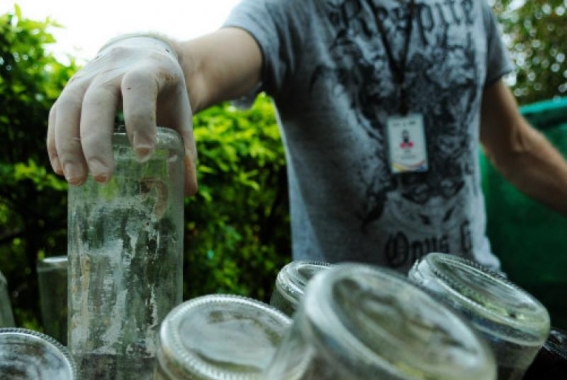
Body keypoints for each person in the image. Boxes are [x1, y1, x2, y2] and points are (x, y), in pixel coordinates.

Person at [47, 0, 567, 273]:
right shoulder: (289, 9)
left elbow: (516, 147)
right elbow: (203, 65)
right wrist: (147, 49)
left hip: (479, 314)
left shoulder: (472, 7)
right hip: (346, 343)